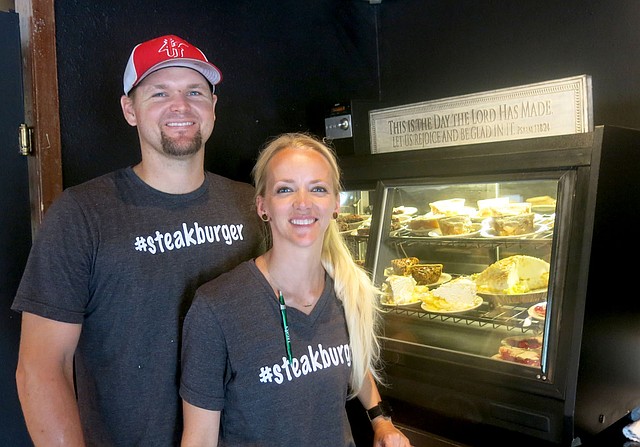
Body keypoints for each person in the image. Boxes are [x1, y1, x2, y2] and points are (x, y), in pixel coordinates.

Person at [12, 34, 264, 446]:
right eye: (159, 92)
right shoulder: (82, 214)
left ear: (213, 108)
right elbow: (41, 368)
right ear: (130, 109)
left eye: (194, 91)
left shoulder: (251, 204)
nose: (180, 106)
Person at [179, 132, 412, 447]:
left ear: (335, 205)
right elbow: (199, 439)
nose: (303, 203)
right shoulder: (216, 308)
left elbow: (351, 360)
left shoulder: (347, 289)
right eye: (285, 189)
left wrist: (382, 421)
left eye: (317, 188)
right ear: (263, 206)